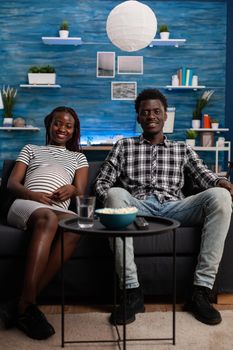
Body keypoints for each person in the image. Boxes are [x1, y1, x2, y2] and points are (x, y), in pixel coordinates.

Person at [94, 88, 233, 326]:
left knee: (220, 196)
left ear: (165, 115)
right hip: (138, 207)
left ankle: (201, 291)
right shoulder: (123, 146)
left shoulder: (182, 148)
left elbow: (203, 174)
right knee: (116, 193)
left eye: (156, 111)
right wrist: (116, 205)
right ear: (138, 117)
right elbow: (102, 183)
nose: (151, 116)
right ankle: (131, 292)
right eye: (145, 112)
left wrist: (220, 181)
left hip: (175, 206)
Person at [0, 106, 88, 340]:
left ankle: (21, 304)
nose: (62, 129)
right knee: (47, 218)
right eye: (58, 123)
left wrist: (72, 189)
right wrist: (34, 195)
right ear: (50, 124)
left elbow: (80, 192)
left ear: (73, 131)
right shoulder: (31, 148)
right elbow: (12, 184)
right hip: (25, 204)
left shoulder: (78, 157)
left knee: (78, 224)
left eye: (68, 126)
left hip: (56, 209)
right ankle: (28, 307)